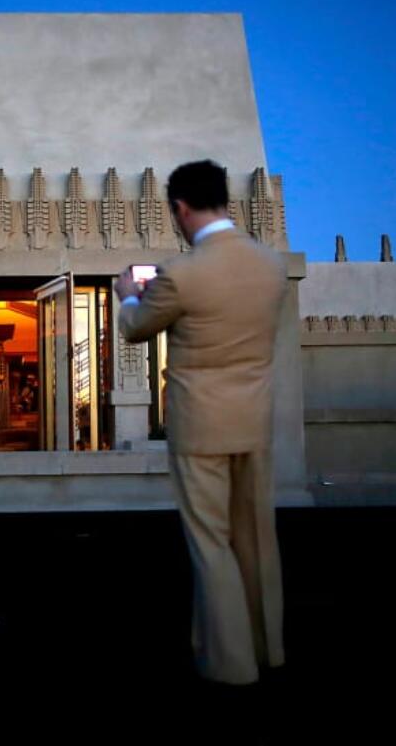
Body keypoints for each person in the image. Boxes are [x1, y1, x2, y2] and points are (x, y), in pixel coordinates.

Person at [116, 159, 287, 686]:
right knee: (256, 536)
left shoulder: (181, 274)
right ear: (225, 202)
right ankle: (266, 648)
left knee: (211, 543)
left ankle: (230, 665)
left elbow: (137, 329)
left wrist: (127, 292)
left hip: (200, 427)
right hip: (253, 419)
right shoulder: (271, 266)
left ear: (181, 208)